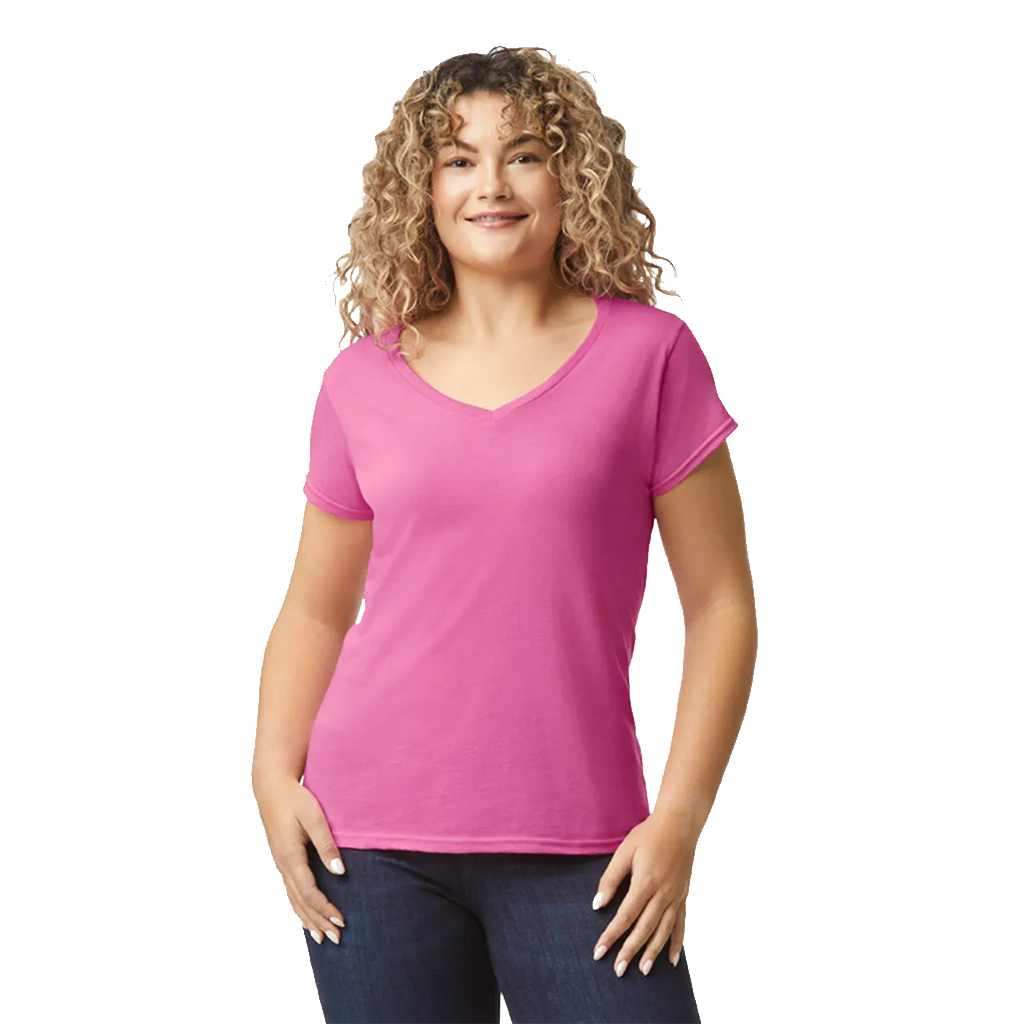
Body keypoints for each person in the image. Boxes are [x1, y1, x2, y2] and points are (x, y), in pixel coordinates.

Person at [251, 45, 757, 1024]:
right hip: (369, 847)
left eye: (524, 154)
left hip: (589, 848)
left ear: (573, 178)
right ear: (423, 190)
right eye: (459, 160)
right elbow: (315, 606)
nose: (491, 184)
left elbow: (722, 604)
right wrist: (271, 774)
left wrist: (680, 822)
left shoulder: (651, 357)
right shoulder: (358, 381)